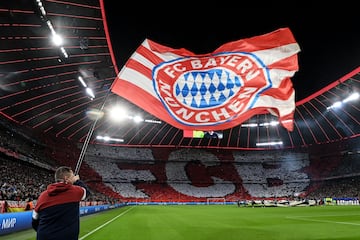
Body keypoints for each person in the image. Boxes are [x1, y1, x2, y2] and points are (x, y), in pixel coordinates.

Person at [32, 166, 90, 240]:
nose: (74, 178)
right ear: (66, 178)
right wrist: (77, 181)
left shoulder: (43, 196)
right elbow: (86, 192)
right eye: (72, 176)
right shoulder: (75, 192)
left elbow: (35, 220)